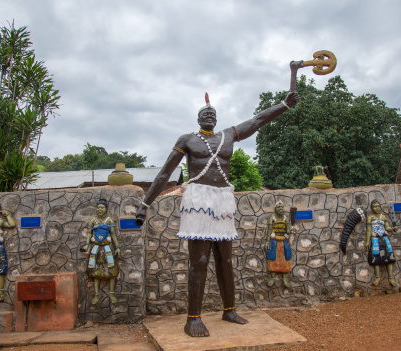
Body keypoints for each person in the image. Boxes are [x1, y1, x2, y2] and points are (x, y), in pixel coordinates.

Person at [136, 91, 300, 337]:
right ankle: (193, 319)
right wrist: (145, 205)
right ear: (198, 118)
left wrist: (284, 105)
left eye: (213, 113)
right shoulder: (187, 140)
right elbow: (163, 173)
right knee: (199, 261)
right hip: (198, 200)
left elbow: (257, 121)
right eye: (205, 113)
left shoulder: (228, 136)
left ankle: (229, 310)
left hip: (223, 200)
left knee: (226, 261)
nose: (209, 114)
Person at [82, 199, 121, 305]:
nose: (100, 209)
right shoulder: (93, 221)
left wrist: (117, 247)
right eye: (98, 207)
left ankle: (111, 293)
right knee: (96, 271)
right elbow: (89, 234)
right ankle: (96, 294)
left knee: (111, 270)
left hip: (107, 248)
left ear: (106, 209)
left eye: (102, 207)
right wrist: (87, 244)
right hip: (96, 249)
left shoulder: (109, 221)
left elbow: (113, 234)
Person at [365, 200, 397, 286]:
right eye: (375, 206)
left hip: (384, 238)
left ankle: (390, 277)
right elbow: (368, 230)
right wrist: (367, 241)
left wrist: (393, 229)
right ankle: (377, 276)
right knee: (376, 257)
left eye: (378, 206)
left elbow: (387, 228)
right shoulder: (370, 217)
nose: (377, 208)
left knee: (389, 255)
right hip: (375, 238)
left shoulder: (383, 217)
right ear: (372, 208)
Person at [265, 201, 293, 287]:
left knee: (285, 258)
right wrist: (267, 241)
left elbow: (287, 230)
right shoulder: (272, 219)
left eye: (282, 207)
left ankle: (284, 277)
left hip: (284, 241)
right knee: (272, 258)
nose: (280, 209)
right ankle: (272, 277)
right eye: (279, 207)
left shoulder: (285, 219)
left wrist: (291, 230)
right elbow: (270, 230)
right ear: (276, 209)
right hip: (274, 241)